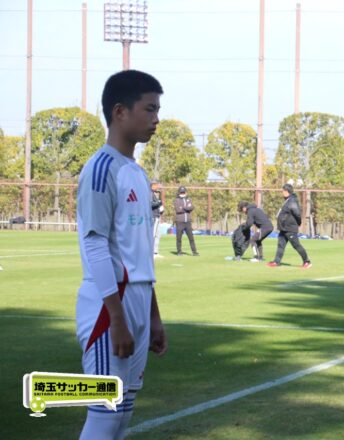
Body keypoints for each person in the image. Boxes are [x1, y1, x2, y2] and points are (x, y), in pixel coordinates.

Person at [75, 70, 167, 440]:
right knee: (105, 413)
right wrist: (116, 318)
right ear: (120, 111)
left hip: (138, 301)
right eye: (150, 109)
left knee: (123, 414)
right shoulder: (101, 170)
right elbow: (95, 245)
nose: (156, 119)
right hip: (108, 307)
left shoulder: (138, 174)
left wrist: (154, 316)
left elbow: (140, 253)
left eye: (158, 110)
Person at [267, 184, 312, 269]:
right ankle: (276, 261)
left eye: (283, 191)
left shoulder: (292, 201)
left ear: (287, 191)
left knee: (296, 245)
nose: (282, 192)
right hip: (283, 228)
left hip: (290, 228)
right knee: (280, 245)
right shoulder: (287, 200)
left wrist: (298, 223)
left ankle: (307, 261)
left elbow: (297, 213)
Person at [174, 186, 199, 256]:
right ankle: (179, 252)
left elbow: (191, 207)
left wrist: (184, 208)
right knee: (179, 238)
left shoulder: (189, 199)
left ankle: (194, 252)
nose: (182, 193)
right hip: (180, 221)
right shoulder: (176, 200)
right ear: (179, 192)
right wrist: (187, 208)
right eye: (181, 192)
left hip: (187, 221)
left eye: (183, 192)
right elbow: (178, 210)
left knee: (191, 237)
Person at [150, 181, 165, 258]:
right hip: (153, 216)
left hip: (157, 215)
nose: (157, 187)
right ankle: (151, 252)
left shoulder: (155, 194)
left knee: (157, 234)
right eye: (156, 185)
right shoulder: (149, 193)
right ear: (152, 185)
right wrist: (158, 203)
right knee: (153, 234)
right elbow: (150, 204)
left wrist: (160, 207)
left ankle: (155, 252)